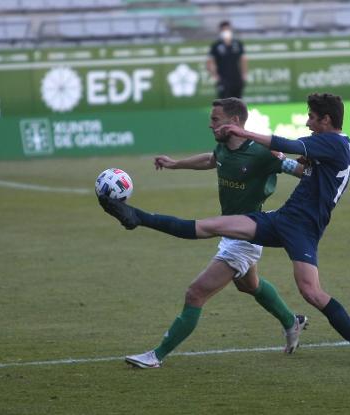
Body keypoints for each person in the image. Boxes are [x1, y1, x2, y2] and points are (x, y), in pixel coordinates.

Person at [100, 93, 350, 364]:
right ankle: (136, 217)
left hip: (304, 228)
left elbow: (291, 147)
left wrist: (251, 136)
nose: (307, 122)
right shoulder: (345, 145)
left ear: (326, 120)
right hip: (281, 218)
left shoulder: (332, 144)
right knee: (219, 237)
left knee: (311, 292)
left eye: (311, 117)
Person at [123, 98, 307, 369]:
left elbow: (302, 171)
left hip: (247, 235)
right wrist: (175, 164)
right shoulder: (223, 148)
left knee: (195, 293)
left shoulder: (262, 153)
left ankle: (156, 356)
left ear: (234, 123)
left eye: (215, 119)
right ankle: (292, 321)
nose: (210, 125)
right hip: (230, 233)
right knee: (249, 285)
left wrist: (306, 164)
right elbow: (211, 160)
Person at [207, 21, 247, 99]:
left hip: (236, 77)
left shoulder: (238, 44)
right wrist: (215, 75)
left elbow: (243, 60)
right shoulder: (216, 45)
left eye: (228, 29)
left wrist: (244, 73)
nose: (226, 31)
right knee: (224, 101)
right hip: (223, 78)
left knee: (238, 101)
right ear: (220, 31)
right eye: (224, 30)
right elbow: (210, 62)